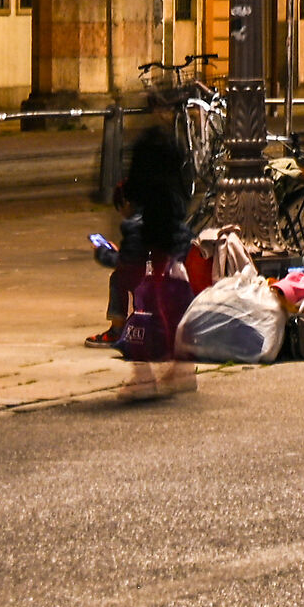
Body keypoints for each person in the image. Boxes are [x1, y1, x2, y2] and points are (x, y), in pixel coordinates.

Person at [94, 119, 202, 401]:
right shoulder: (174, 209)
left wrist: (105, 254)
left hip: (153, 278)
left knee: (141, 328)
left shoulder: (139, 224)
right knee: (171, 321)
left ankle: (144, 379)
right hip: (176, 279)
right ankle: (182, 372)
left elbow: (127, 261)